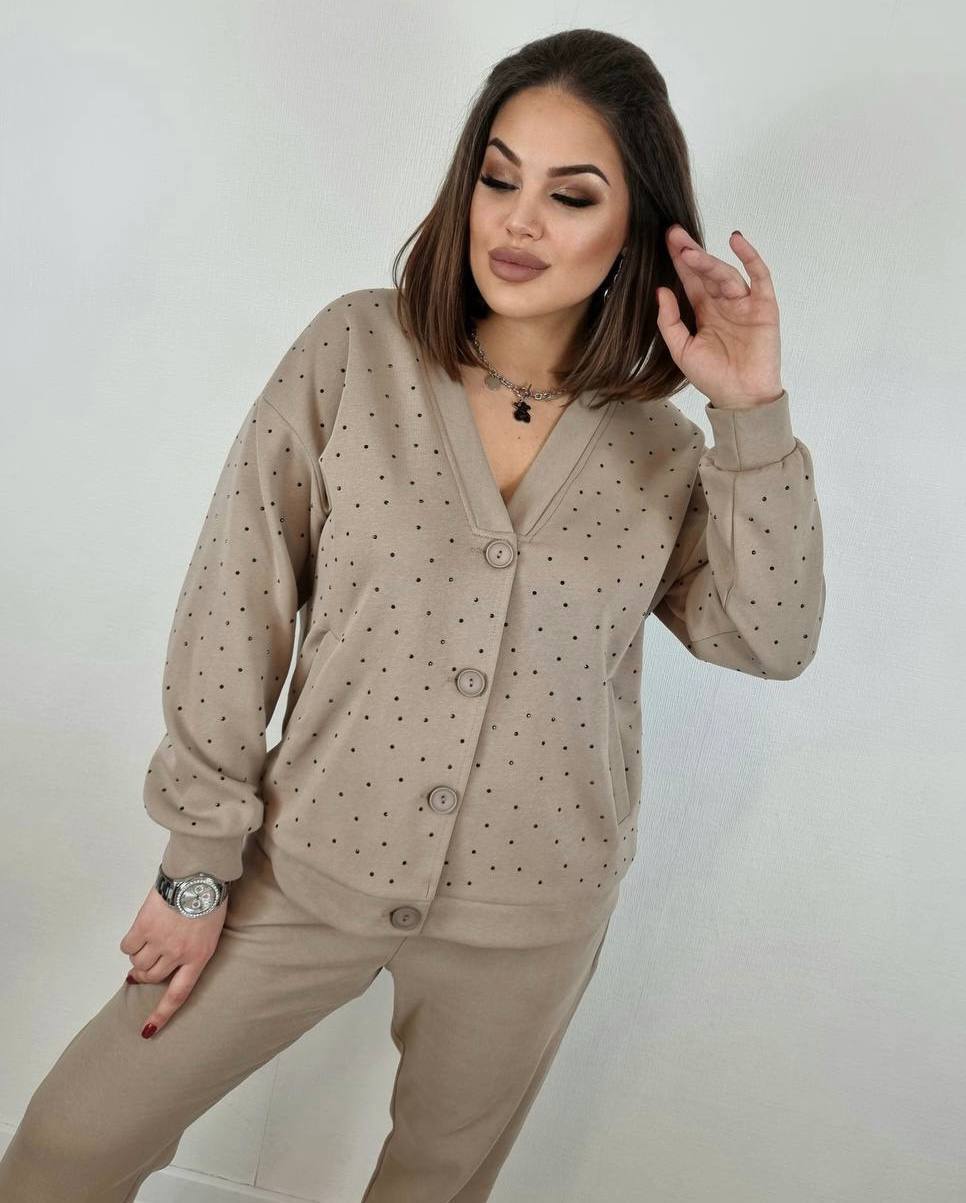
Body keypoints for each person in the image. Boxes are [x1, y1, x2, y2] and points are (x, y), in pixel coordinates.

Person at [0, 26, 825, 1203]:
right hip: (302, 868)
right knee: (69, 1144)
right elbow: (235, 605)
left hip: (533, 909)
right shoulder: (356, 350)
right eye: (498, 179)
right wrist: (197, 867)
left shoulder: (664, 449)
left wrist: (752, 412)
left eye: (570, 196)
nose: (518, 222)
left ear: (638, 227)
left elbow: (772, 637)